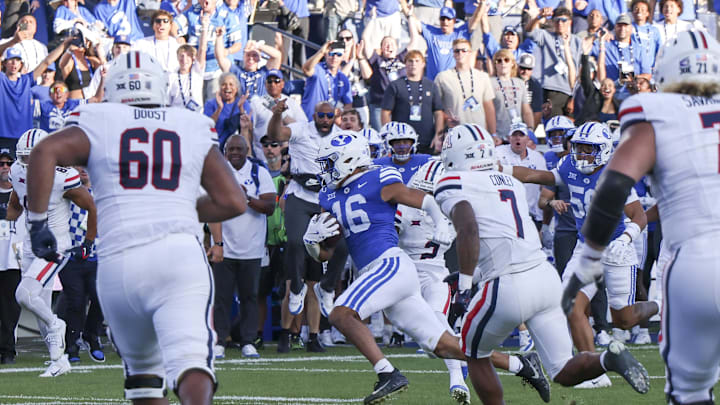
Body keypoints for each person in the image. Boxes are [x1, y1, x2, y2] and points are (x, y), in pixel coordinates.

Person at [24, 50, 247, 404]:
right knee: (190, 360)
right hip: (178, 254)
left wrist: (37, 225)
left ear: (113, 87)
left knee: (143, 374)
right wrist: (178, 204)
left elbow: (43, 152)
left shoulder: (99, 118)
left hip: (120, 260)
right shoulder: (188, 123)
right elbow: (234, 201)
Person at [434, 123, 650, 404]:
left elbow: (470, 231)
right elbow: (505, 237)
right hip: (543, 279)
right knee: (561, 370)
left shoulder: (453, 182)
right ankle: (609, 359)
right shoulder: (509, 182)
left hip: (508, 285)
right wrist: (474, 274)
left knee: (473, 352)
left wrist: (465, 285)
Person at [564, 29, 720, 405]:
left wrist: (592, 254)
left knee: (691, 391)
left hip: (696, 263)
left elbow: (615, 187)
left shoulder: (654, 110)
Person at [306, 131, 463, 403]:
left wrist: (439, 223)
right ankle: (518, 364)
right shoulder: (328, 196)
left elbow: (421, 199)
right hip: (378, 271)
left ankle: (387, 373)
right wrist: (310, 243)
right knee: (442, 344)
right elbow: (325, 254)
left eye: (330, 163)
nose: (326, 170)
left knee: (341, 314)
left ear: (349, 159)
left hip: (392, 264)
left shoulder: (377, 176)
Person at [502, 122, 660, 387]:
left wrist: (626, 238)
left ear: (605, 150)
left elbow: (639, 215)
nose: (582, 154)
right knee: (570, 305)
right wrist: (499, 169)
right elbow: (535, 176)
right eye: (579, 148)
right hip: (585, 248)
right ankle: (593, 371)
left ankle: (662, 306)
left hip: (616, 249)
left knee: (624, 320)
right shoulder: (568, 166)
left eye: (589, 149)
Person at [7, 128, 96, 377]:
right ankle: (59, 360)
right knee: (39, 308)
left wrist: (89, 241)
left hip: (55, 246)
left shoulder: (62, 177)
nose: (26, 163)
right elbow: (16, 203)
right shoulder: (16, 170)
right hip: (30, 245)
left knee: (24, 294)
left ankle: (59, 323)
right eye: (23, 157)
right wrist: (6, 220)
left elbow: (91, 205)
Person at [267, 100, 349, 354]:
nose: (324, 119)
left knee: (342, 245)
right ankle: (297, 291)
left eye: (328, 115)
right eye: (320, 115)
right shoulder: (302, 129)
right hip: (301, 194)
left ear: (335, 116)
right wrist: (277, 113)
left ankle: (326, 289)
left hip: (327, 198)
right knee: (294, 243)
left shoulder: (343, 137)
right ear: (314, 116)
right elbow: (275, 134)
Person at [396, 158, 471, 404]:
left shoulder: (452, 210)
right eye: (422, 189)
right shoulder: (403, 207)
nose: (424, 195)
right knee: (428, 340)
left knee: (437, 318)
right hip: (402, 272)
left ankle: (457, 378)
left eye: (430, 191)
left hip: (434, 274)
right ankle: (466, 351)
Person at [209, 134, 275, 359]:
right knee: (221, 298)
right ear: (224, 151)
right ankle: (219, 341)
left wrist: (246, 198)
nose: (235, 153)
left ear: (247, 150)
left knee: (250, 296)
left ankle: (248, 341)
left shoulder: (258, 173)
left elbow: (269, 206)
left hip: (252, 246)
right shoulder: (217, 174)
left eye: (239, 149)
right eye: (231, 149)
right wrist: (217, 244)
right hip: (225, 246)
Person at [59, 166, 104, 363]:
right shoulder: (64, 192)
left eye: (87, 165)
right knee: (75, 301)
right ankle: (72, 344)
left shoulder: (103, 194)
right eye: (78, 166)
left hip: (97, 256)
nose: (83, 169)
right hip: (71, 255)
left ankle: (91, 335)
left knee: (101, 298)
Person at [1, 39, 72, 156]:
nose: (14, 63)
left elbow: (46, 62)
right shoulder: (1, 79)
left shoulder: (26, 80)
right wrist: (14, 40)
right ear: (4, 63)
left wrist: (64, 44)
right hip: (2, 135)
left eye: (17, 60)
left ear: (21, 64)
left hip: (24, 138)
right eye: (11, 60)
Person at [381, 50, 444, 154]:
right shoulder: (395, 85)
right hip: (402, 142)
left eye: (417, 61)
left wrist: (438, 135)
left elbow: (438, 112)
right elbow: (385, 112)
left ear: (423, 64)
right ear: (405, 64)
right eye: (410, 61)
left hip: (426, 141)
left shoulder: (431, 86)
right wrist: (388, 135)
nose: (413, 64)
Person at [525, 6, 582, 118]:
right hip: (552, 88)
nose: (560, 23)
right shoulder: (547, 36)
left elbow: (580, 67)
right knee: (554, 128)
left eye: (563, 20)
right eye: (557, 20)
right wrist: (539, 17)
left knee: (571, 129)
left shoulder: (577, 41)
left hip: (571, 90)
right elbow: (528, 31)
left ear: (570, 22)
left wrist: (575, 95)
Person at [182, 0, 243, 101]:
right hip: (196, 69)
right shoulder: (191, 12)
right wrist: (180, 39)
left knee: (213, 105)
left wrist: (225, 52)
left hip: (216, 69)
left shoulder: (227, 15)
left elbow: (237, 44)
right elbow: (173, 25)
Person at [433, 39, 496, 136]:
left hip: (479, 133)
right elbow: (437, 109)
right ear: (453, 54)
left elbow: (489, 108)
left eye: (464, 50)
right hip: (455, 133)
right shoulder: (442, 77)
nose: (460, 53)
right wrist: (445, 121)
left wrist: (493, 134)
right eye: (456, 51)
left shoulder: (483, 77)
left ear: (470, 53)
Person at [495, 123, 546, 229]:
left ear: (527, 139)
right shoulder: (498, 153)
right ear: (509, 138)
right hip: (505, 215)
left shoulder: (537, 158)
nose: (517, 138)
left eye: (521, 135)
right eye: (514, 135)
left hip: (531, 213)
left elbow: (544, 186)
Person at [407, 6, 480, 80]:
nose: (445, 22)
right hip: (433, 82)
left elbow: (475, 19)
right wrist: (409, 12)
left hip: (453, 82)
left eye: (448, 19)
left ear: (454, 20)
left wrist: (481, 5)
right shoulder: (431, 32)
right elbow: (415, 22)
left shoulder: (460, 33)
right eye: (443, 19)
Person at [248, 70, 305, 161]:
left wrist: (282, 114)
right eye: (269, 81)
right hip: (263, 158)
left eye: (276, 81)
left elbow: (303, 129)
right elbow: (248, 131)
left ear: (282, 83)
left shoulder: (291, 102)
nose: (273, 84)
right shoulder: (256, 103)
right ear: (265, 84)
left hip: (287, 159)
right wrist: (249, 155)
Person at [358, 35, 406, 131]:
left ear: (397, 47)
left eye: (392, 44)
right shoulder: (377, 59)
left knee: (400, 136)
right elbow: (366, 37)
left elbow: (414, 39)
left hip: (400, 106)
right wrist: (373, 19)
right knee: (381, 136)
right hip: (379, 105)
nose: (389, 46)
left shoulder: (402, 58)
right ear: (381, 49)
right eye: (385, 44)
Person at [0, 151, 20, 365]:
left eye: (8, 163)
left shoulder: (23, 193)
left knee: (10, 309)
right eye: (1, 164)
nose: (5, 167)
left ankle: (7, 351)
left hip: (13, 261)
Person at [300, 40, 353, 120]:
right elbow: (306, 69)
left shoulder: (343, 78)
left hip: (327, 123)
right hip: (308, 120)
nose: (334, 57)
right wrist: (321, 52)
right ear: (326, 55)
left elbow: (348, 104)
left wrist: (340, 113)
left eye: (338, 55)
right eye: (331, 54)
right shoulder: (318, 68)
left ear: (343, 57)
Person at [216, 35, 282, 98]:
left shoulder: (264, 72)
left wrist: (257, 45)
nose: (251, 58)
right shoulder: (237, 71)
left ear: (259, 58)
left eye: (254, 55)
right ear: (243, 57)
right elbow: (220, 57)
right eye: (248, 55)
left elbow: (277, 56)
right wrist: (219, 37)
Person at [592, 14, 652, 82]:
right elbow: (584, 47)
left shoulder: (639, 49)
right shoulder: (605, 45)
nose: (622, 29)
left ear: (631, 28)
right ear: (614, 27)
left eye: (626, 26)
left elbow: (648, 75)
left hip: (634, 90)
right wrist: (597, 36)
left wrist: (632, 78)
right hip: (612, 90)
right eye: (619, 26)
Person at [490, 50, 534, 141]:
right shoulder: (489, 83)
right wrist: (492, 134)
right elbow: (487, 112)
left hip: (518, 136)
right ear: (495, 64)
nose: (503, 63)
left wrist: (530, 129)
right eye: (499, 61)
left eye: (506, 60)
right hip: (498, 137)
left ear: (512, 63)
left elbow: (527, 111)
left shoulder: (520, 83)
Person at [203, 72, 248, 148]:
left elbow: (249, 128)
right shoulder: (210, 103)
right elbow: (207, 127)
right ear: (219, 88)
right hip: (216, 147)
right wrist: (219, 108)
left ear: (236, 89)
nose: (227, 87)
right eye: (224, 84)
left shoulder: (243, 103)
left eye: (231, 84)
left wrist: (241, 109)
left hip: (236, 148)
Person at [57, 30, 102, 100]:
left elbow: (105, 69)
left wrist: (99, 49)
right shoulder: (70, 61)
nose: (81, 43)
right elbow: (62, 65)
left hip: (91, 102)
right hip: (75, 102)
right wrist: (69, 50)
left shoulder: (92, 61)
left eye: (85, 41)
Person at [167, 39, 208, 112]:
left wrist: (204, 28)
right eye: (181, 56)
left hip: (196, 115)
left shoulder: (197, 71)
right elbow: (167, 102)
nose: (184, 59)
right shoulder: (171, 76)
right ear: (177, 57)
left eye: (188, 56)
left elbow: (202, 49)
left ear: (193, 58)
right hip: (177, 116)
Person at [516, 54, 544, 128]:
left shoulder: (535, 84)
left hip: (527, 122)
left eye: (529, 69)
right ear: (518, 67)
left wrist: (530, 130)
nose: (525, 71)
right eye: (523, 68)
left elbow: (537, 111)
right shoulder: (511, 81)